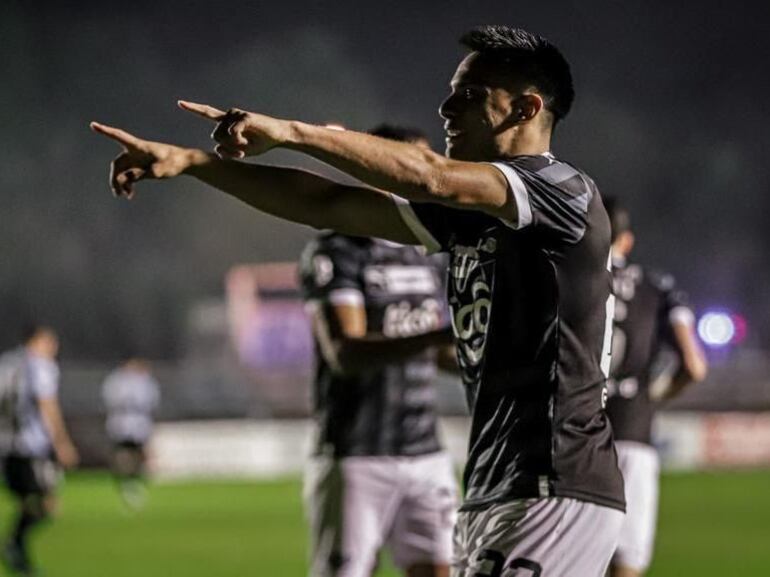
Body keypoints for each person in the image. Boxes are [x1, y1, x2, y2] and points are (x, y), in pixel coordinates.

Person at [92, 25, 625, 575]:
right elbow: (326, 204)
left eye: (468, 95)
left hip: (554, 482)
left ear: (526, 108)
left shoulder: (559, 190)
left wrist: (293, 132)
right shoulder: (474, 216)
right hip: (498, 486)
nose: (445, 108)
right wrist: (193, 164)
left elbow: (431, 176)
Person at [299, 124, 458, 577]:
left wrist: (488, 356)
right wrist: (438, 337)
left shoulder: (428, 254)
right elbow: (344, 354)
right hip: (356, 452)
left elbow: (442, 354)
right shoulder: (338, 250)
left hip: (425, 449)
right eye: (411, 165)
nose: (425, 177)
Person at [604, 198, 708, 577]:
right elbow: (694, 366)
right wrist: (657, 393)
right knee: (626, 563)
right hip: (633, 433)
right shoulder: (657, 286)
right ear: (626, 241)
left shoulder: (566, 280)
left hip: (575, 437)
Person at [0, 324, 79, 576]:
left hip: (7, 446)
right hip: (32, 446)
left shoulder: (7, 363)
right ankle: (12, 544)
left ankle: (18, 554)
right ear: (37, 341)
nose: (54, 347)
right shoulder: (41, 366)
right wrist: (62, 443)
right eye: (50, 341)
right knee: (49, 505)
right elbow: (48, 405)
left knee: (27, 503)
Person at [102, 357, 161, 510]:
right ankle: (125, 480)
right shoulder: (116, 380)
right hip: (121, 422)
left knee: (139, 453)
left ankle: (136, 479)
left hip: (139, 422)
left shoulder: (145, 380)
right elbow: (111, 399)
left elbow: (152, 401)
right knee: (122, 453)